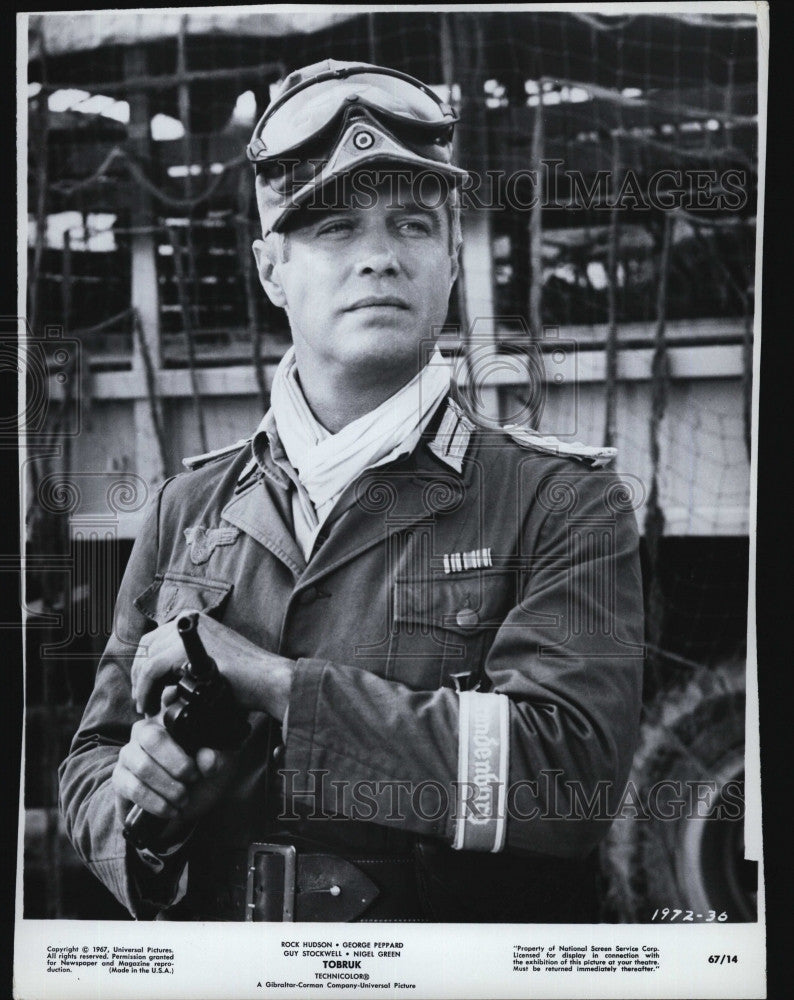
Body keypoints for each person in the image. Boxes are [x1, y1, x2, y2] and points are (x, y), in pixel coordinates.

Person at [59, 59, 644, 922]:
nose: (378, 255)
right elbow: (91, 764)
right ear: (270, 270)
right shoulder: (185, 509)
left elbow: (565, 787)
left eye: (411, 224)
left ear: (450, 260)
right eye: (334, 228)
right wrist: (144, 812)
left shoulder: (561, 500)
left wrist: (275, 685)